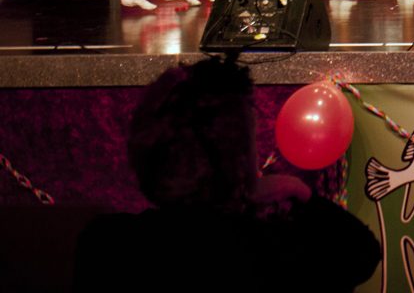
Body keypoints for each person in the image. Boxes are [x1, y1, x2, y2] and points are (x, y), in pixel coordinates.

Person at [73, 56, 380, 292]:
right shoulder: (277, 252)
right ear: (239, 156)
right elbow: (361, 253)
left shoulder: (105, 246)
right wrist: (300, 193)